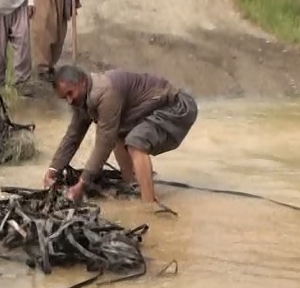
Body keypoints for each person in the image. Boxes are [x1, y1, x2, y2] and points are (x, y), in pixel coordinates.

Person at [42, 65, 198, 207]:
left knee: (135, 142)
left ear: (82, 82)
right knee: (119, 135)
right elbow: (73, 136)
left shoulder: (105, 92)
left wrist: (82, 184)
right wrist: (53, 169)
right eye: (65, 98)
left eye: (70, 93)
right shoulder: (82, 99)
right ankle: (132, 185)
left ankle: (149, 205)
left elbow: (104, 143)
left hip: (177, 106)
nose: (69, 101)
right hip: (154, 109)